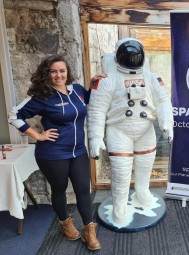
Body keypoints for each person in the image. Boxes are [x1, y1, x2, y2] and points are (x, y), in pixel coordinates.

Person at [8, 54, 106, 250]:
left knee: (83, 190)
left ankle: (89, 230)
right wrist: (38, 135)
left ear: (67, 72)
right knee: (59, 189)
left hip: (78, 150)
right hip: (52, 153)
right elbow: (14, 115)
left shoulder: (76, 89)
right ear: (47, 73)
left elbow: (86, 100)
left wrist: (93, 83)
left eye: (62, 70)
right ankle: (65, 222)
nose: (58, 75)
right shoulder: (42, 97)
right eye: (53, 71)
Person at [87, 37, 173, 227]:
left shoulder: (151, 77)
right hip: (119, 131)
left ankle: (142, 192)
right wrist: (95, 137)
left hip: (145, 130)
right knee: (121, 171)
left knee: (145, 165)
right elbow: (96, 109)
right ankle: (119, 204)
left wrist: (167, 122)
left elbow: (163, 101)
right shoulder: (107, 80)